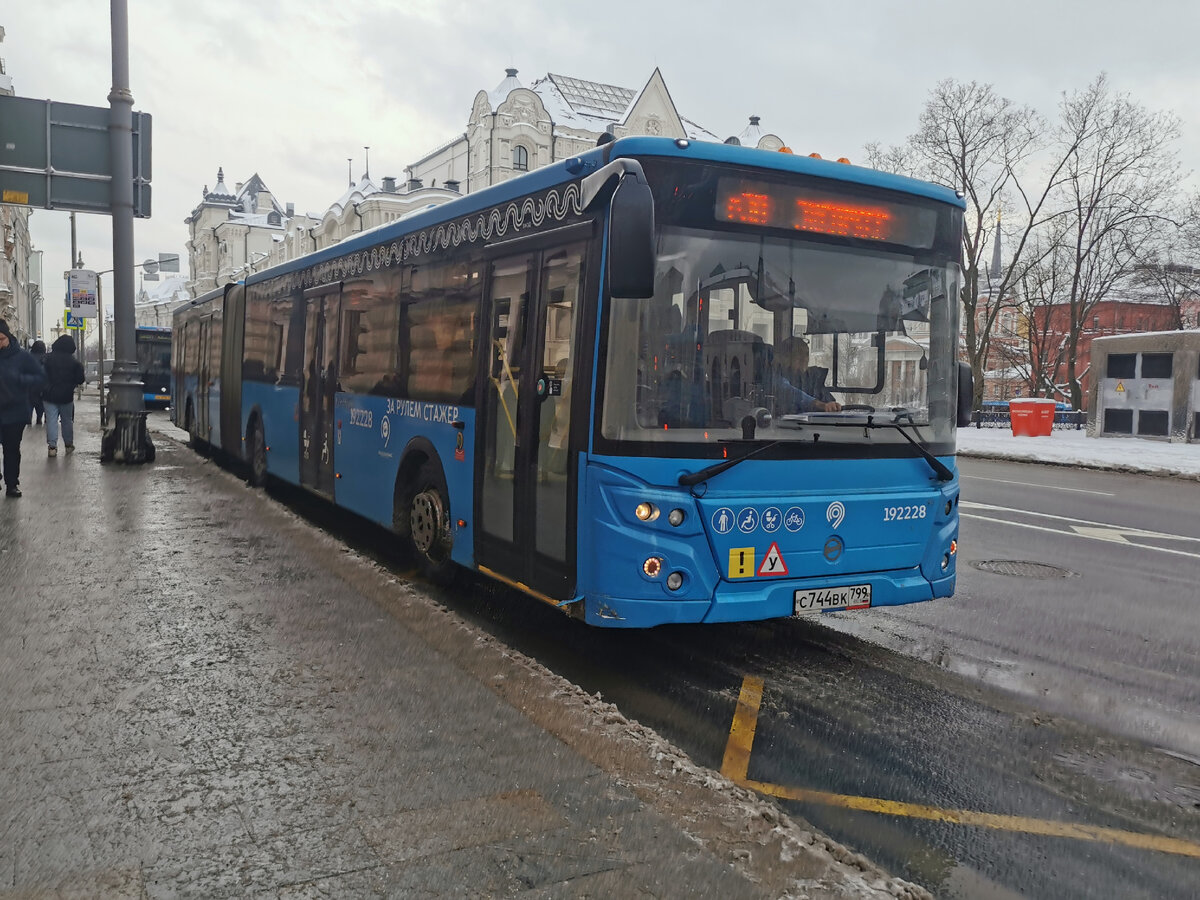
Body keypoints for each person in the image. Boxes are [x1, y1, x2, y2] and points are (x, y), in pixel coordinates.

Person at [0, 320, 47, 497]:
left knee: (11, 449)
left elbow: (40, 378)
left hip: (14, 411)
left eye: (1, 339)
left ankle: (11, 483)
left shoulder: (21, 356)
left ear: (8, 337)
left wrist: (20, 379)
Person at [42, 334, 85, 458]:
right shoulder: (74, 362)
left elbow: (41, 375)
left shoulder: (47, 359)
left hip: (49, 395)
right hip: (66, 396)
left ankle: (52, 447)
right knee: (67, 421)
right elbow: (80, 379)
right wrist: (71, 383)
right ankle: (68, 444)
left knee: (51, 421)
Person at [777, 337, 841, 413]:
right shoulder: (776, 377)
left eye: (806, 354)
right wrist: (819, 405)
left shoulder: (814, 377)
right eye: (798, 355)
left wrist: (833, 406)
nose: (804, 359)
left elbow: (829, 403)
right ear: (785, 358)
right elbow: (789, 391)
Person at [29, 339, 47, 425]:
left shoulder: (28, 356)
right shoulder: (46, 358)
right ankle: (39, 419)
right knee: (40, 404)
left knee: (29, 404)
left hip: (29, 385)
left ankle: (28, 420)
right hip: (42, 386)